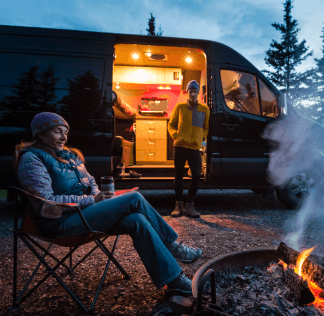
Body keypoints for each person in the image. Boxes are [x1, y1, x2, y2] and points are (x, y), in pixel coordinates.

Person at [15, 112, 202, 296]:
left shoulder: (72, 156)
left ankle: (174, 281)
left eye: (65, 132)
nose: (64, 137)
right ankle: (172, 245)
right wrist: (92, 201)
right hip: (58, 222)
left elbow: (91, 182)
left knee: (137, 219)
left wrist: (99, 197)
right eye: (57, 132)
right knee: (134, 198)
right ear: (40, 133)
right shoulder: (32, 158)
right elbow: (46, 201)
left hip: (85, 214)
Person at [167, 80, 210, 218]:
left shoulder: (205, 109)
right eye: (190, 91)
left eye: (195, 91)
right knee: (178, 175)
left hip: (194, 148)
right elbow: (171, 124)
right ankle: (178, 205)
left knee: (197, 174)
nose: (192, 94)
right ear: (188, 92)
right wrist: (175, 135)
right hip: (179, 146)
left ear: (198, 93)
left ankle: (190, 205)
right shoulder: (180, 107)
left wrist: (202, 137)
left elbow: (206, 127)